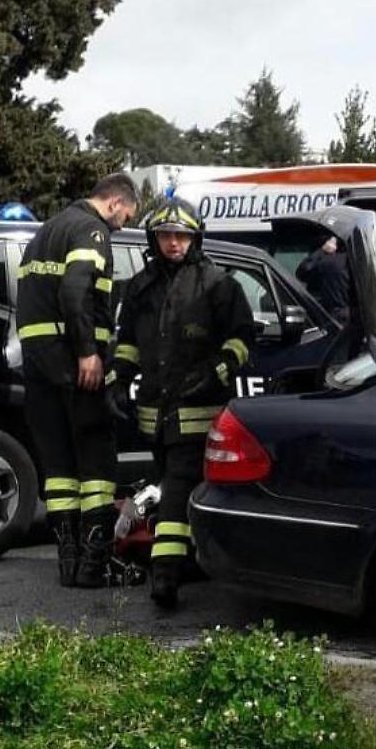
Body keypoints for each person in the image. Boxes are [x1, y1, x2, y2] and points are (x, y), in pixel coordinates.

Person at [111, 198, 253, 608]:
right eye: (166, 236)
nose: (174, 243)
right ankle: (190, 562)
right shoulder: (140, 287)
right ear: (154, 240)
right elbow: (129, 343)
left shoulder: (218, 284)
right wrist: (119, 378)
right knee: (170, 486)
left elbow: (243, 339)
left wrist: (220, 368)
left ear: (195, 239)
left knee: (174, 491)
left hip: (198, 411)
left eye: (182, 236)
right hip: (155, 413)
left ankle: (165, 578)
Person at [17, 173, 138, 587]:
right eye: (125, 217)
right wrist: (88, 350)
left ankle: (68, 565)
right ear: (116, 202)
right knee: (97, 461)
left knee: (60, 467)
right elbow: (75, 290)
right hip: (73, 361)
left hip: (38, 362)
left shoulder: (46, 230)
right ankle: (94, 565)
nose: (120, 226)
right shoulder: (91, 229)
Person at [296, 235, 351, 323]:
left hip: (332, 318)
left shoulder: (329, 263)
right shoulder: (360, 263)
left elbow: (303, 272)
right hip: (355, 320)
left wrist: (322, 251)